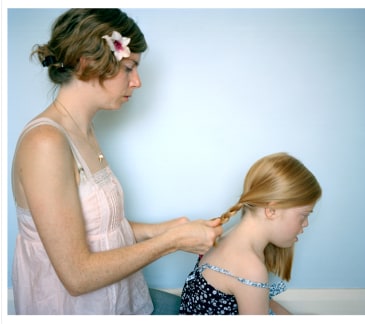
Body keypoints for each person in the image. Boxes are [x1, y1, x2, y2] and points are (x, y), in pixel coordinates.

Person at [10, 8, 223, 315]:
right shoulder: (45, 143)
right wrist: (172, 242)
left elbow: (100, 229)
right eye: (129, 68)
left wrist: (166, 229)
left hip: (119, 300)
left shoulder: (83, 130)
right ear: (87, 63)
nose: (137, 82)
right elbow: (77, 276)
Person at [179, 152, 322, 315]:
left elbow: (262, 301)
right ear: (272, 210)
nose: (306, 224)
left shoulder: (228, 236)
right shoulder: (250, 268)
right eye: (304, 215)